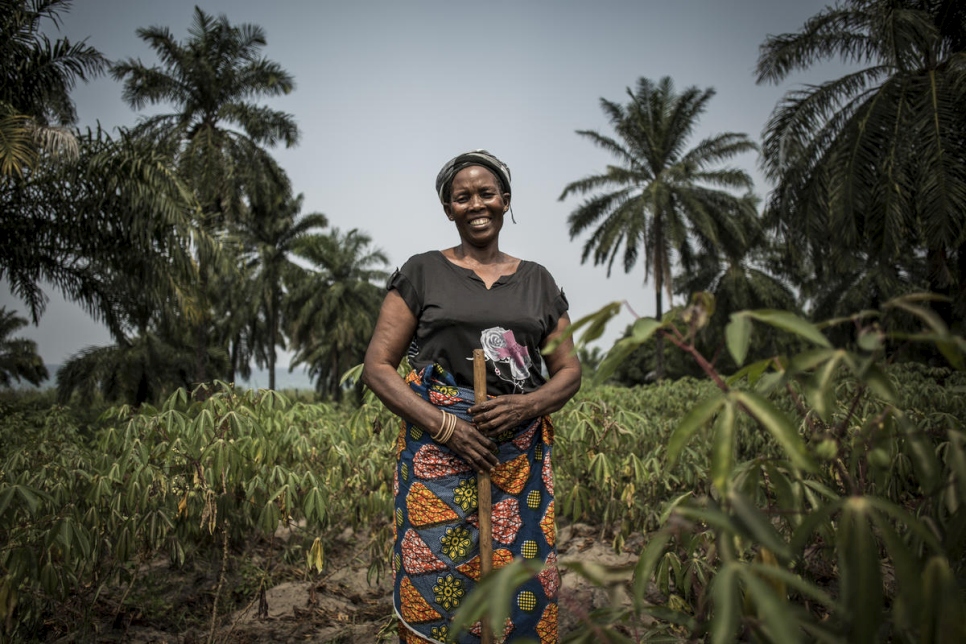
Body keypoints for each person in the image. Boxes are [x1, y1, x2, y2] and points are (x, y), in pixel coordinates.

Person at [362, 149, 582, 644]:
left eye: (486, 193)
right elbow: (378, 367)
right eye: (462, 197)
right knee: (438, 575)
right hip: (437, 452)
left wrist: (527, 404)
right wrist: (446, 426)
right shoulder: (422, 272)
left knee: (520, 578)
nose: (476, 204)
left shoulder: (538, 282)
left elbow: (568, 372)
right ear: (449, 209)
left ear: (505, 201)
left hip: (518, 452)